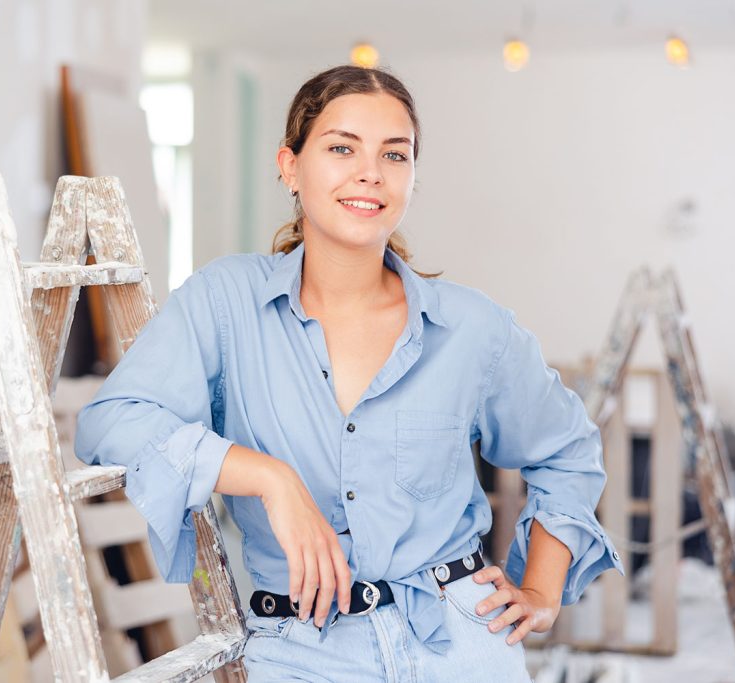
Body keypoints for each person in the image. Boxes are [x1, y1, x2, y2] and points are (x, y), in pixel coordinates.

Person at [75, 64, 624, 682]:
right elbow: (112, 420)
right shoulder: (224, 303)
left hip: (461, 641)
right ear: (290, 166)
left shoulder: (473, 329)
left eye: (396, 154)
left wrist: (542, 591)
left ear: (413, 176)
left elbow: (568, 451)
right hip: (299, 647)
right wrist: (268, 478)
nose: (371, 172)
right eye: (342, 148)